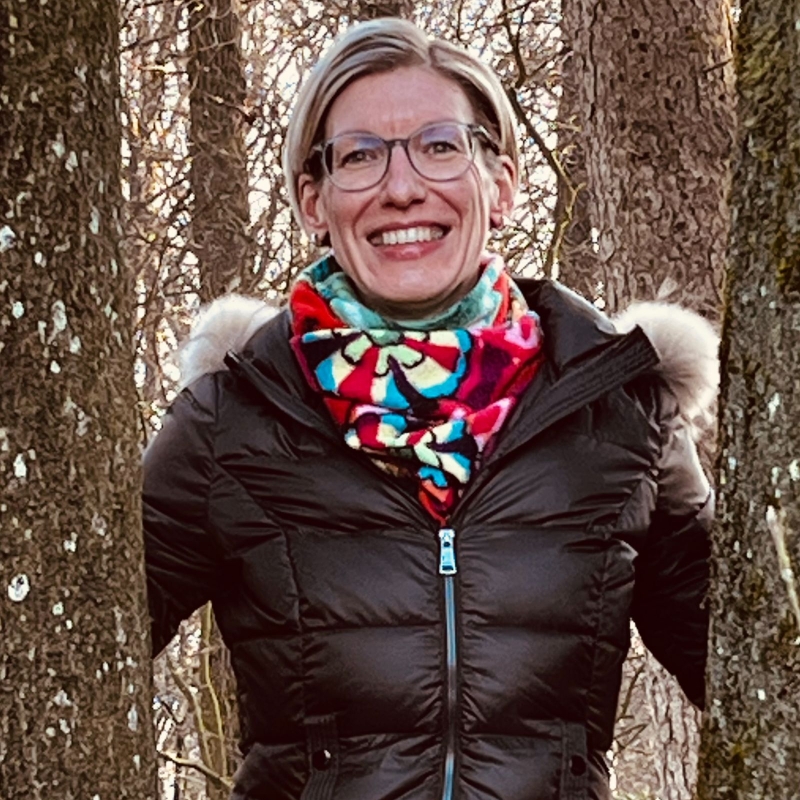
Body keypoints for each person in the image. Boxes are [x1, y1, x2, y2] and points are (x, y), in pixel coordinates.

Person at [144, 18, 718, 800]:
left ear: (503, 185)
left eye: (440, 146)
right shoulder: (232, 417)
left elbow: (752, 668)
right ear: (314, 201)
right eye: (360, 155)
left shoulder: (620, 410)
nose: (402, 187)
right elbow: (63, 649)